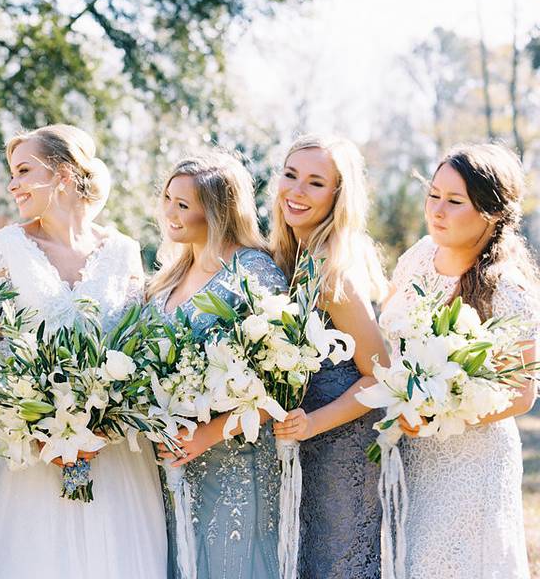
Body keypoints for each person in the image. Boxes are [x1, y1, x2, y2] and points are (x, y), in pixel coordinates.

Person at [0, 124, 167, 579]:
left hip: (114, 449)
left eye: (23, 171)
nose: (12, 184)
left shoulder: (123, 251)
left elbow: (141, 350)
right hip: (32, 452)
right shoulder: (6, 246)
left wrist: (104, 426)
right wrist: (37, 426)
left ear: (62, 173)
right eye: (12, 172)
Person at [380, 143, 537, 579]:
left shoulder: (508, 289)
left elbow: (522, 394)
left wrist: (441, 413)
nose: (437, 210)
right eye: (433, 195)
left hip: (473, 461)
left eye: (454, 201)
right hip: (412, 451)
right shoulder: (416, 258)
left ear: (491, 211)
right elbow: (388, 339)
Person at [148, 151, 285, 579]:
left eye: (183, 205)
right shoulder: (170, 273)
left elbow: (283, 387)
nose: (170, 212)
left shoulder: (255, 272)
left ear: (217, 210)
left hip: (233, 460)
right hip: (170, 460)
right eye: (168, 198)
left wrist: (205, 436)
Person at [267, 134, 388, 578]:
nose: (296, 192)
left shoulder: (332, 271)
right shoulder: (281, 259)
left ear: (338, 197)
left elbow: (383, 375)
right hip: (295, 448)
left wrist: (314, 422)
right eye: (291, 175)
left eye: (315, 183)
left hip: (341, 451)